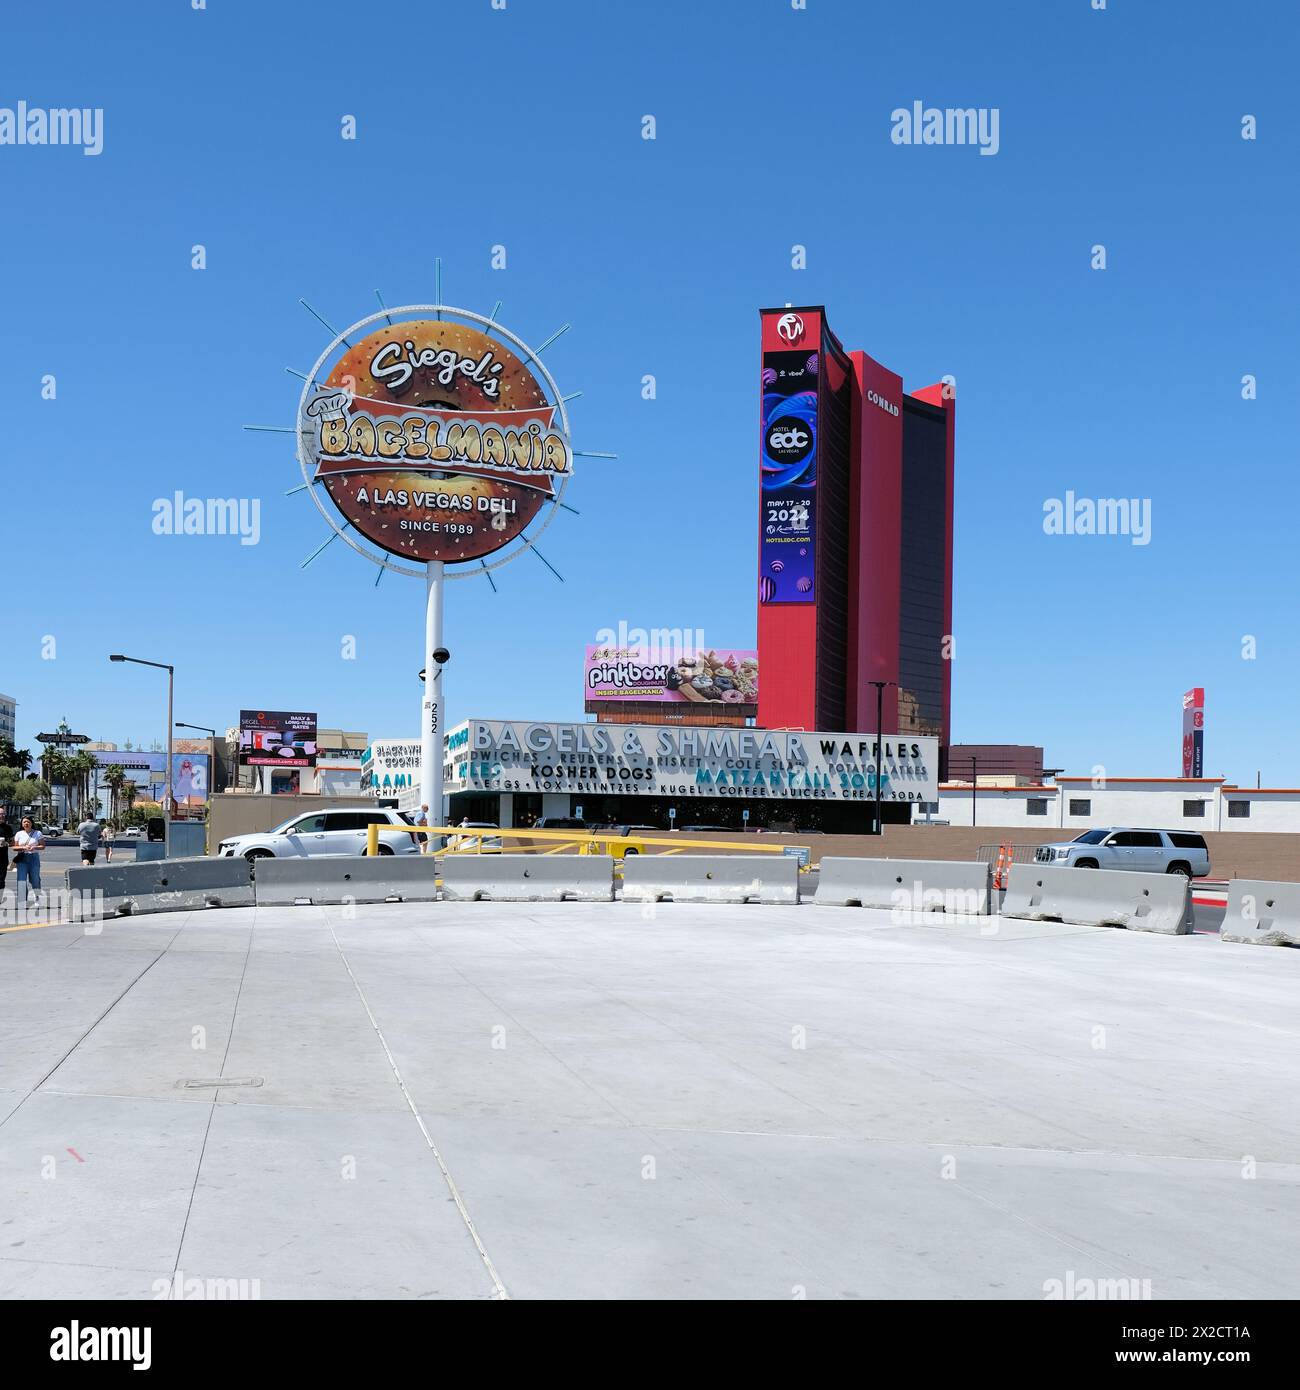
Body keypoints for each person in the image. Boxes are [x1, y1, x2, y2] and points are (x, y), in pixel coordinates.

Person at [12, 816, 45, 908]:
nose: (26, 824)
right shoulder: (19, 834)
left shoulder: (37, 833)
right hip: (22, 858)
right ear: (22, 824)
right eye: (24, 822)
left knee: (35, 879)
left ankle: (37, 897)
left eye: (28, 822)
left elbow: (42, 846)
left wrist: (34, 847)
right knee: (21, 879)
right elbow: (15, 847)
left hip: (33, 858)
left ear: (31, 823)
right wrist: (23, 847)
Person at [0, 808, 12, 898]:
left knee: (1, 880)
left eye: (4, 814)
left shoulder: (8, 828)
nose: (2, 816)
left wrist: (7, 843)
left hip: (3, 859)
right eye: (0, 814)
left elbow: (11, 842)